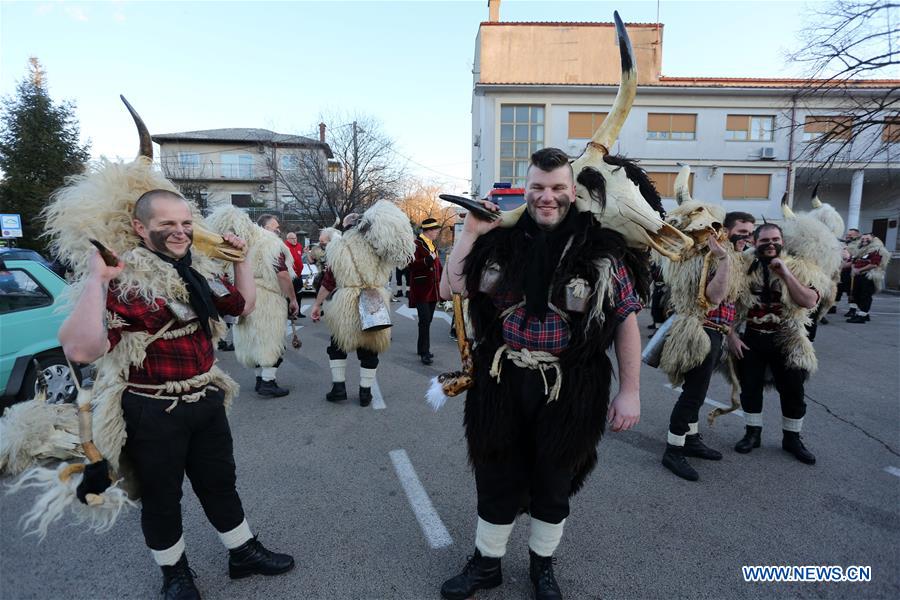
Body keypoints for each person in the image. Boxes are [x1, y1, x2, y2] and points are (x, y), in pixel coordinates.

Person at [56, 190, 294, 599]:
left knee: (221, 483)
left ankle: (243, 553)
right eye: (166, 224)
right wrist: (97, 280)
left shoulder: (197, 269)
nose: (180, 232)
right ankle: (175, 575)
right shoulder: (125, 279)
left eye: (185, 222)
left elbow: (243, 307)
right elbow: (80, 350)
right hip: (152, 409)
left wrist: (243, 259)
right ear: (140, 227)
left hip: (205, 398)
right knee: (161, 498)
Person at [438, 148, 642, 600]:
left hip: (572, 387)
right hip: (501, 378)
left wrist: (630, 391)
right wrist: (470, 232)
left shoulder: (603, 250)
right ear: (525, 191)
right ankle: (486, 565)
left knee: (554, 480)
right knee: (495, 474)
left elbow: (626, 319)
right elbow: (449, 287)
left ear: (573, 192)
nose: (546, 197)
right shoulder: (497, 241)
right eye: (537, 188)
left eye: (556, 189)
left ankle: (542, 568)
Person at [659, 207, 755, 482]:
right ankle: (673, 450)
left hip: (717, 333)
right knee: (693, 395)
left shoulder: (734, 257)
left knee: (696, 392)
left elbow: (731, 304)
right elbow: (713, 297)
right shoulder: (712, 257)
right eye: (742, 232)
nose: (746, 238)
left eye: (750, 234)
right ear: (725, 231)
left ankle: (690, 440)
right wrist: (723, 259)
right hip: (699, 332)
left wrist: (732, 334)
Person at [728, 223, 823, 465]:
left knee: (793, 390)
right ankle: (752, 434)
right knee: (750, 389)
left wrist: (785, 274)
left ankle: (792, 439)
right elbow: (725, 304)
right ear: (755, 242)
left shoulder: (800, 267)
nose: (771, 244)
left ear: (782, 241)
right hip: (751, 338)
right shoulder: (740, 267)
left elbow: (809, 301)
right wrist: (731, 336)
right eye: (765, 240)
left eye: (775, 239)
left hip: (788, 339)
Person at [310, 206, 414, 407]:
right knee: (370, 348)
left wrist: (317, 304)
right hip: (375, 298)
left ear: (347, 227)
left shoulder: (337, 247)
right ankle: (365, 393)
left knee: (338, 345)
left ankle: (338, 388)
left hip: (345, 302)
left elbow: (328, 281)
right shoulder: (379, 246)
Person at [409, 218, 444, 365]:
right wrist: (428, 260)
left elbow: (438, 266)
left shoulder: (431, 244)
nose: (437, 233)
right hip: (422, 289)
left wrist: (445, 280)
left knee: (427, 321)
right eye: (435, 230)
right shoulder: (416, 245)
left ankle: (421, 347)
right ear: (428, 231)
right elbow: (410, 265)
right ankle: (424, 352)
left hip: (433, 290)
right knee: (424, 321)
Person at [846, 233, 890, 323]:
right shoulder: (860, 249)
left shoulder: (877, 250)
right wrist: (854, 269)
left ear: (873, 239)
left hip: (868, 275)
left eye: (867, 238)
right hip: (858, 275)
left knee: (865, 296)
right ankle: (865, 314)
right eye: (863, 238)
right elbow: (854, 260)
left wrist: (859, 270)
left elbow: (874, 264)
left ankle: (862, 316)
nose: (864, 240)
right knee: (855, 295)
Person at [284, 231, 307, 317]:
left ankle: (298, 312)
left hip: (299, 275)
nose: (294, 240)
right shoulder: (284, 246)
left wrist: (305, 252)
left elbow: (299, 257)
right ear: (288, 239)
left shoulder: (299, 246)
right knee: (290, 294)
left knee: (299, 293)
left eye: (295, 238)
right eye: (292, 239)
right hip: (289, 275)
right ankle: (289, 313)